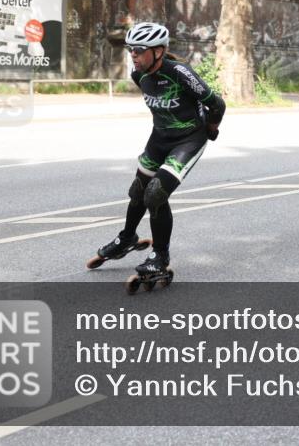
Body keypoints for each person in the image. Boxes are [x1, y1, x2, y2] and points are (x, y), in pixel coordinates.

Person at [87, 22, 225, 290]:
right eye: (131, 50)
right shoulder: (140, 76)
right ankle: (127, 238)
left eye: (139, 50)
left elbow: (216, 103)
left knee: (155, 194)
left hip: (188, 140)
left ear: (159, 51)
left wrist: (211, 128)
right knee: (138, 191)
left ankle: (160, 256)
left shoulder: (181, 73)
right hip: (159, 139)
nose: (133, 56)